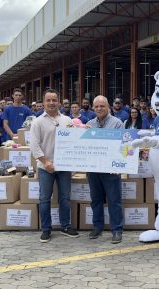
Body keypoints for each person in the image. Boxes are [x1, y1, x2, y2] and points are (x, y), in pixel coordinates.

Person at [30, 89, 78, 242]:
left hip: (63, 167)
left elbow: (74, 141)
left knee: (64, 197)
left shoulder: (67, 120)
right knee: (44, 199)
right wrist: (45, 162)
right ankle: (46, 229)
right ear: (43, 103)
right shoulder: (37, 122)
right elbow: (34, 146)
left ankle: (65, 226)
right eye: (48, 100)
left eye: (54, 100)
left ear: (59, 102)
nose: (51, 103)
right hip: (46, 167)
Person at [86, 95, 124, 244]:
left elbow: (124, 146)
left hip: (111, 170)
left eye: (102, 106)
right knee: (96, 200)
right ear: (93, 108)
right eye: (96, 106)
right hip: (93, 169)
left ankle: (116, 230)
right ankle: (97, 227)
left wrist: (119, 164)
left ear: (108, 107)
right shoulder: (89, 124)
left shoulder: (117, 124)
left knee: (114, 200)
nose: (99, 109)